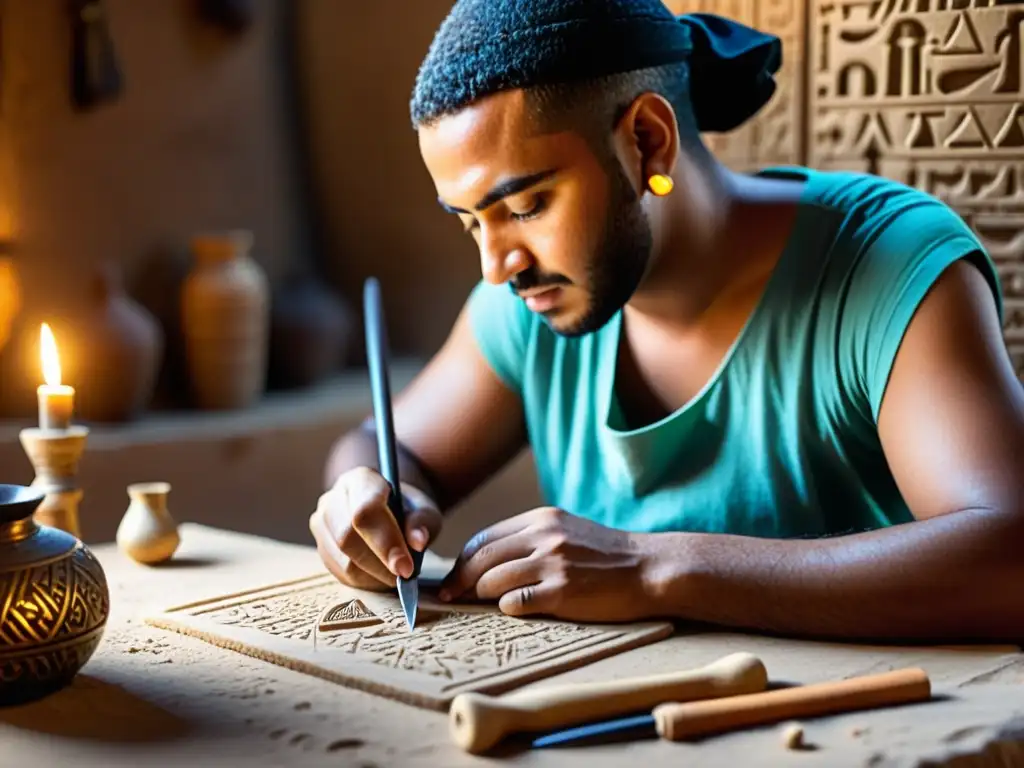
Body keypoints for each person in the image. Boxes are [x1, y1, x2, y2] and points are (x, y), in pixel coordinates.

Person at [309, 0, 1024, 642]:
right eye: (471, 224)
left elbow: (1009, 558)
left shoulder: (887, 263)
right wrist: (364, 497)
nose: (498, 265)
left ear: (647, 141)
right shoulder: (527, 302)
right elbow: (386, 442)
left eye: (525, 207)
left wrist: (654, 568)